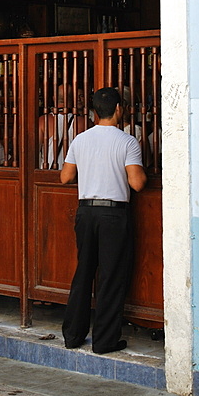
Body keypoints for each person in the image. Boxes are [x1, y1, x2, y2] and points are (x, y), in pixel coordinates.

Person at [60, 86, 147, 354]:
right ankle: (105, 341)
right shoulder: (127, 141)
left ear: (94, 112)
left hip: (86, 212)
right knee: (111, 276)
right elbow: (137, 184)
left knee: (84, 271)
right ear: (119, 109)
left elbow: (65, 177)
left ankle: (73, 336)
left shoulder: (80, 139)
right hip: (113, 214)